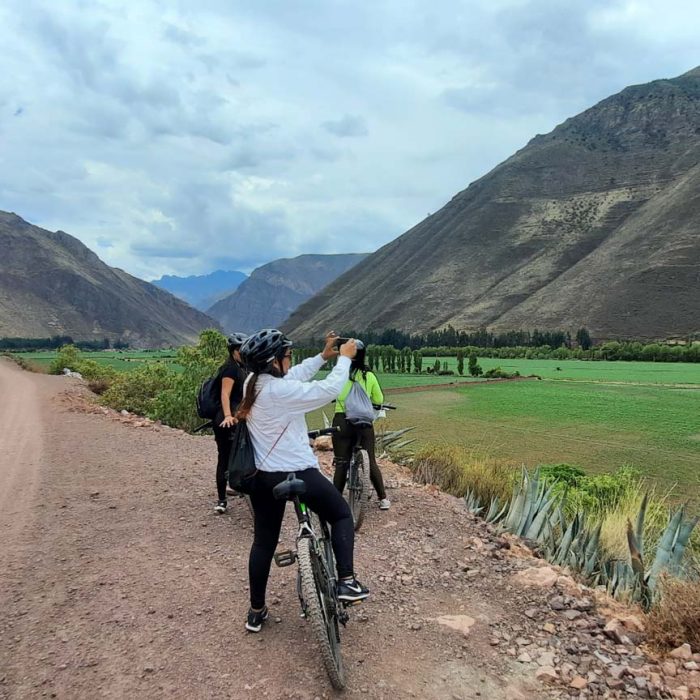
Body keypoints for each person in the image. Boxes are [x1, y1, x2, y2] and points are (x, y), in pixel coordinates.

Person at [237, 329, 369, 633]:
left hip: (263, 478)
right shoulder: (280, 393)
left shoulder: (253, 382)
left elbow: (294, 375)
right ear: (273, 362)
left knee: (263, 542)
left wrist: (323, 356)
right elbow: (328, 390)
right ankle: (346, 581)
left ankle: (256, 611)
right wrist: (344, 360)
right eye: (287, 355)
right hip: (297, 472)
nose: (290, 359)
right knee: (339, 515)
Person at [332, 340, 390, 509]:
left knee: (342, 462)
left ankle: (335, 502)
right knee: (370, 460)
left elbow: (331, 391)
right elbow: (378, 399)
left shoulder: (340, 374)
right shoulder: (369, 376)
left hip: (342, 421)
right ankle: (383, 498)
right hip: (364, 423)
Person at [213, 332, 248, 514]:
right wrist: (228, 416)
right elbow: (225, 394)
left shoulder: (243, 367)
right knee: (224, 457)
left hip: (240, 417)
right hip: (226, 420)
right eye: (241, 349)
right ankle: (221, 500)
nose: (244, 352)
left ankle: (240, 486)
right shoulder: (230, 369)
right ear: (233, 351)